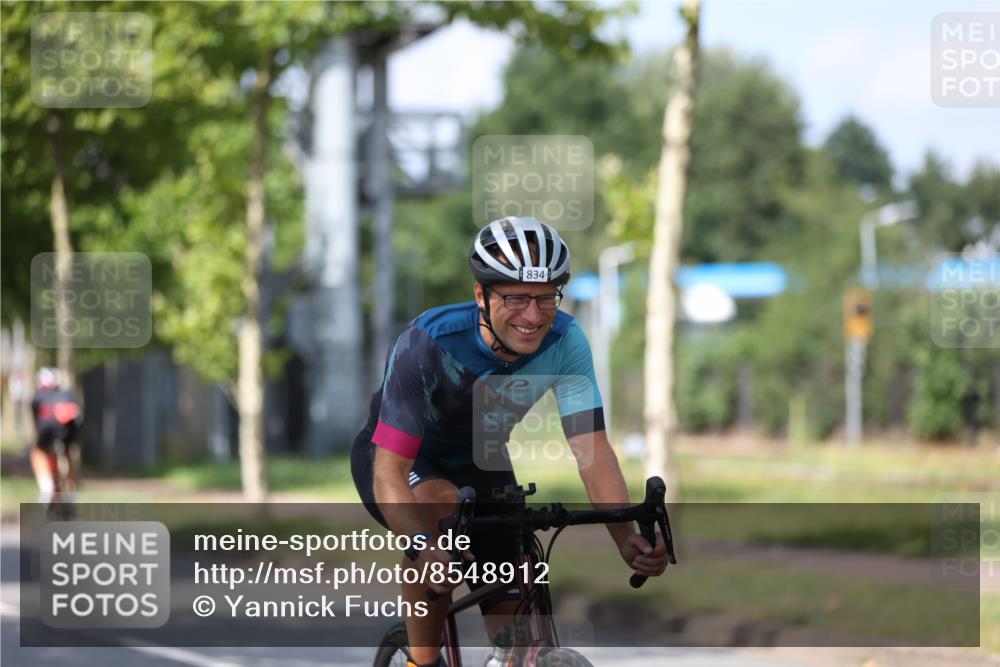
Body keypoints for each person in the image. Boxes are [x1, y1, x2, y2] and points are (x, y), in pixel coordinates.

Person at [351, 216, 668, 667]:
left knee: (514, 601)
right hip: (401, 460)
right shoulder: (428, 342)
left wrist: (623, 535)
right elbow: (389, 472)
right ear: (481, 295)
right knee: (444, 523)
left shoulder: (566, 341)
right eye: (516, 297)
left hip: (483, 460)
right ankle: (421, 661)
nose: (533, 316)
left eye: (545, 298)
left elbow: (591, 449)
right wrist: (424, 545)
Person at [30, 367, 82, 506]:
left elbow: (37, 423)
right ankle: (71, 495)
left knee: (38, 453)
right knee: (67, 455)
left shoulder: (38, 397)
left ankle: (46, 490)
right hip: (67, 436)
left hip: (47, 436)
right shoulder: (67, 395)